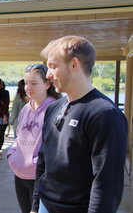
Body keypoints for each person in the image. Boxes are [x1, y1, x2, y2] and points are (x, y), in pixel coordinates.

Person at [34, 35, 128, 213]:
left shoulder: (105, 115)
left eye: (53, 66)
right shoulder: (53, 107)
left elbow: (106, 184)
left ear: (74, 65)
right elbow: (43, 161)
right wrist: (35, 205)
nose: (48, 74)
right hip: (44, 206)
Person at [7, 64, 60, 213]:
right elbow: (18, 137)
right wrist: (12, 156)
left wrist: (35, 164)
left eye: (34, 83)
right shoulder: (25, 108)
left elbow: (56, 147)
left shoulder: (55, 108)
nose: (28, 87)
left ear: (47, 84)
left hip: (40, 179)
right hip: (20, 175)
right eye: (26, 83)